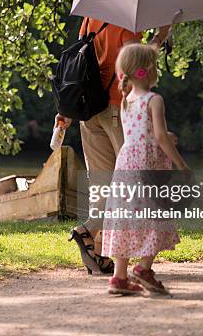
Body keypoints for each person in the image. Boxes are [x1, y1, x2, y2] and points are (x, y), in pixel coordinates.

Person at [60, 17, 171, 275]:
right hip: (116, 110)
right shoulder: (125, 24)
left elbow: (78, 64)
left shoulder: (89, 20)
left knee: (102, 184)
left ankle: (99, 252)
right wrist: (160, 38)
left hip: (88, 111)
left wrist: (65, 111)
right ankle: (87, 230)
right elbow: (135, 69)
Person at [102, 43, 190, 295]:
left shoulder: (126, 101)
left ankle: (119, 278)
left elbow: (142, 133)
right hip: (148, 164)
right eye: (156, 65)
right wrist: (182, 165)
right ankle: (143, 269)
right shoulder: (155, 99)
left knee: (128, 216)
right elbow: (159, 138)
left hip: (127, 162)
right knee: (156, 216)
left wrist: (162, 135)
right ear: (148, 70)